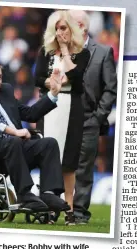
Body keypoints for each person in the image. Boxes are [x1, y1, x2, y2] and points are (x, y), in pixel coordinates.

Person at [0, 60, 70, 214]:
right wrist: (13, 131)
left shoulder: (5, 92)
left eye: (0, 77)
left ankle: (49, 194)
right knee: (13, 140)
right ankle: (24, 195)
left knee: (48, 143)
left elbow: (30, 114)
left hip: (13, 146)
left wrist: (53, 93)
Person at [34, 10, 90, 225]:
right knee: (48, 160)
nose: (60, 32)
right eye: (57, 28)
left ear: (71, 29)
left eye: (63, 27)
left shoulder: (82, 54)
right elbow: (37, 78)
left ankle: (68, 209)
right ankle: (49, 207)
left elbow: (76, 79)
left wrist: (66, 50)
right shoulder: (45, 52)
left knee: (68, 163)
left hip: (71, 107)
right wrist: (52, 83)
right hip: (49, 105)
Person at [68, 10, 117, 224]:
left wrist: (98, 117)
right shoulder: (60, 50)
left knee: (84, 168)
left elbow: (110, 88)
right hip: (63, 117)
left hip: (89, 119)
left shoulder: (103, 51)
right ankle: (54, 209)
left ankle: (78, 214)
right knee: (56, 164)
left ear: (82, 26)